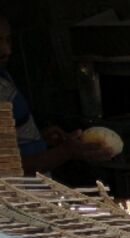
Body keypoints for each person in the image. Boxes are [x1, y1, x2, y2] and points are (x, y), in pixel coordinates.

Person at [0, 14, 114, 174]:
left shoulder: (3, 76)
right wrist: (66, 152)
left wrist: (39, 140)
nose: (7, 51)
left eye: (8, 40)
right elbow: (5, 168)